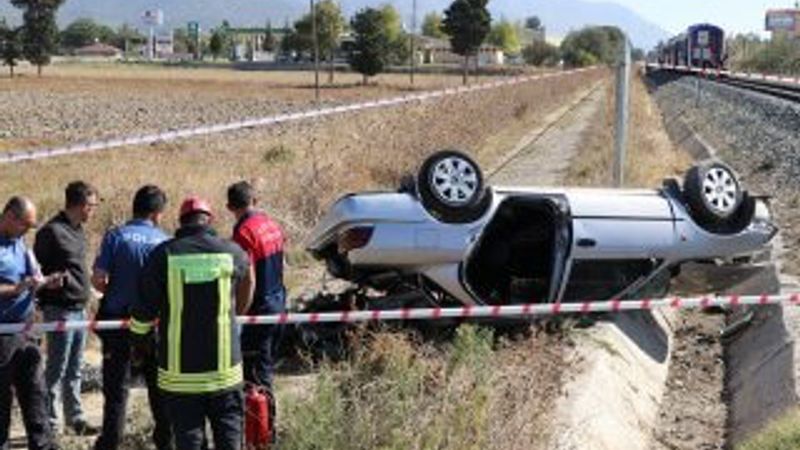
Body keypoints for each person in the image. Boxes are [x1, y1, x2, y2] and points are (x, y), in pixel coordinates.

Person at [131, 196, 254, 450]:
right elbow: (249, 279)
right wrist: (236, 316)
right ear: (210, 220)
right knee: (230, 440)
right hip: (224, 373)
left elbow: (143, 312)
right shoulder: (231, 252)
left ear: (181, 221)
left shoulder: (163, 255)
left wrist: (139, 341)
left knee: (189, 441)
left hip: (179, 376)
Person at [91, 186, 173, 450]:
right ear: (157, 213)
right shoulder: (165, 241)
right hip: (153, 324)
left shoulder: (115, 236)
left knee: (116, 391)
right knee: (159, 389)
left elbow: (99, 279)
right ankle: (166, 442)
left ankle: (111, 443)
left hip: (117, 323)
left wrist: (115, 290)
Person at [34, 181, 100, 436]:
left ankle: (76, 419)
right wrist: (48, 283)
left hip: (79, 309)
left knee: (75, 367)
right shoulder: (51, 232)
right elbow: (36, 270)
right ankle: (51, 421)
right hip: (59, 310)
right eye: (92, 206)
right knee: (57, 368)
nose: (93, 211)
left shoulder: (78, 230)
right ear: (81, 205)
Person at [0, 197, 62, 450]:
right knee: (2, 397)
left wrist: (47, 282)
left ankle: (43, 444)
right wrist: (16, 288)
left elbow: (33, 275)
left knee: (35, 390)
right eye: (25, 224)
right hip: (2, 332)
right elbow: (16, 285)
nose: (28, 230)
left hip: (26, 327)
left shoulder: (21, 242)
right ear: (9, 216)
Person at [226, 181, 285, 434]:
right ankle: (265, 430)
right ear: (255, 200)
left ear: (230, 207)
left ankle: (263, 435)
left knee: (256, 378)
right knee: (266, 370)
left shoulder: (244, 233)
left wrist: (239, 315)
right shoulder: (271, 224)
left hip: (259, 311)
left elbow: (248, 279)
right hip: (279, 303)